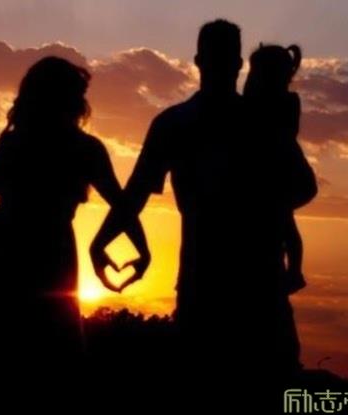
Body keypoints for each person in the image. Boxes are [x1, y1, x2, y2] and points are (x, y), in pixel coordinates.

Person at [91, 19, 317, 387]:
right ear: (238, 64)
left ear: (198, 60)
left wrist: (103, 241)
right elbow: (305, 189)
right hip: (248, 283)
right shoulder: (257, 123)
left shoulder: (176, 123)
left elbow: (134, 195)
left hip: (220, 283)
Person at [0, 56, 149, 359]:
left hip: (2, 252)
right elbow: (123, 205)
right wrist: (140, 248)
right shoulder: (86, 149)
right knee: (53, 349)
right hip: (53, 255)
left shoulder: (13, 143)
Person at [243, 44, 309, 294]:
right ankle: (294, 272)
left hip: (280, 173)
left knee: (285, 222)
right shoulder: (282, 100)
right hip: (280, 174)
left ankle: (295, 271)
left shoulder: (280, 103)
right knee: (285, 222)